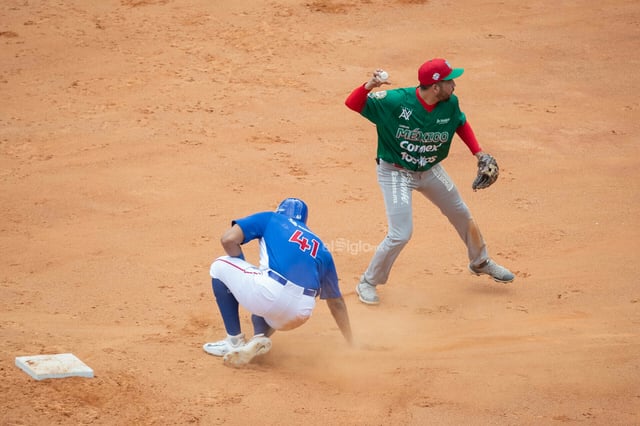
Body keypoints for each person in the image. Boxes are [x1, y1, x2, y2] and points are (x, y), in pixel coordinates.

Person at [345, 58, 515, 306]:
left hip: (430, 169)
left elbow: (461, 123)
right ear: (436, 87)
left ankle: (480, 262)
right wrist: (370, 84)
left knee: (461, 213)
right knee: (401, 234)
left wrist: (478, 153)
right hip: (396, 172)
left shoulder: (450, 103)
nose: (454, 84)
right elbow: (353, 103)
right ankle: (368, 282)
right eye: (450, 81)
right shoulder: (396, 101)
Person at [202, 197, 353, 367]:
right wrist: (351, 343)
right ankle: (258, 338)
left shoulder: (271, 218)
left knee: (220, 266)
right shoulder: (320, 247)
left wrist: (240, 272)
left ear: (279, 211)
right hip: (300, 313)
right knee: (268, 297)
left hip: (269, 293)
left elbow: (228, 239)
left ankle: (234, 341)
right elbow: (336, 302)